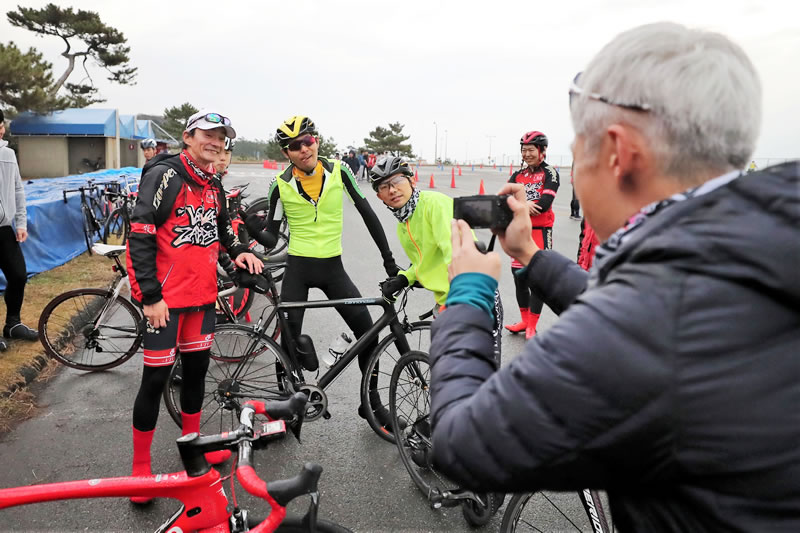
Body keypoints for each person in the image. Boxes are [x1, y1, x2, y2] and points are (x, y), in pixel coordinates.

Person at [428, 22, 799, 531]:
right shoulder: (752, 247)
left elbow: (460, 445)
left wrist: (468, 293)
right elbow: (636, 317)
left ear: (618, 153)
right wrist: (532, 256)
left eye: (579, 151)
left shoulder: (656, 323)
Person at [126, 110, 262, 503]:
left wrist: (238, 253)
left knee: (198, 373)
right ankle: (139, 468)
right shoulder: (163, 174)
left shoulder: (213, 184)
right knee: (155, 380)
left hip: (202, 300)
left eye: (221, 137)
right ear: (188, 136)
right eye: (208, 134)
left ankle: (193, 449)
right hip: (165, 305)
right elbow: (140, 236)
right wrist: (149, 297)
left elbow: (220, 234)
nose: (215, 142)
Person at [245, 116, 400, 433]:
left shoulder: (340, 172)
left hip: (333, 270)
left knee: (368, 335)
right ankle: (286, 404)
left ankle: (371, 402)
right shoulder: (280, 185)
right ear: (286, 153)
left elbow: (368, 214)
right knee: (287, 342)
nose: (304, 149)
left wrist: (388, 261)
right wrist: (248, 224)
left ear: (316, 141)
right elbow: (273, 238)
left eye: (308, 141)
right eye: (295, 146)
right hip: (298, 270)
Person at [503, 131, 559, 339]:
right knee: (519, 280)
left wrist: (516, 204)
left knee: (537, 280)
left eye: (530, 150)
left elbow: (543, 206)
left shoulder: (550, 173)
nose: (526, 154)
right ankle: (524, 320)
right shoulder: (518, 175)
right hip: (518, 231)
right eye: (523, 150)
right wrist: (524, 205)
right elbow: (503, 201)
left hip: (540, 233)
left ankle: (532, 326)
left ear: (542, 151)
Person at [0, 109, 39, 352]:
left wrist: (21, 222)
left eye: (1, 125)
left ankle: (12, 323)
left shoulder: (8, 154)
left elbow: (17, 189)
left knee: (18, 275)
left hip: (5, 228)